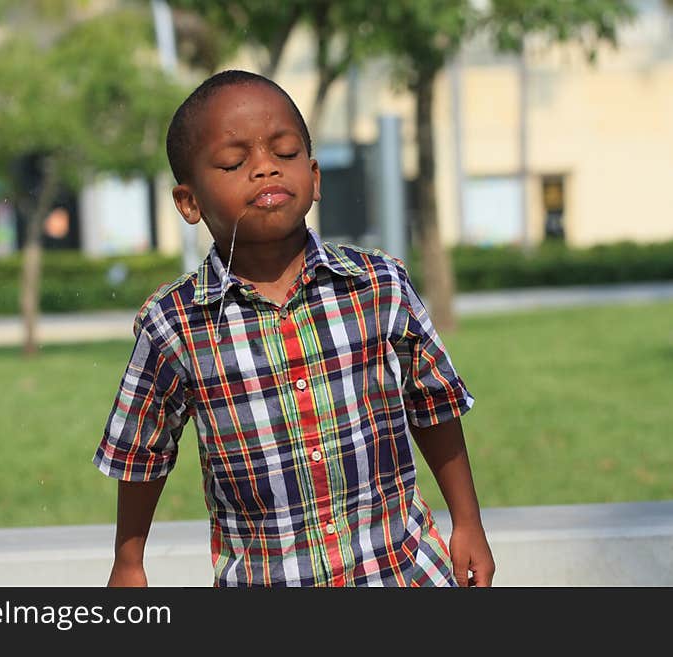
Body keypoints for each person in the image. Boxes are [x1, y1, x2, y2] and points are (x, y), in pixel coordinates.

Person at [93, 69, 495, 587]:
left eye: (283, 154)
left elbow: (434, 405)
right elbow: (142, 451)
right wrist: (129, 562)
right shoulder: (175, 324)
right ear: (189, 202)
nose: (265, 169)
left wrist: (468, 522)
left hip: (400, 571)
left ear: (315, 176)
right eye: (235, 162)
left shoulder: (379, 285)